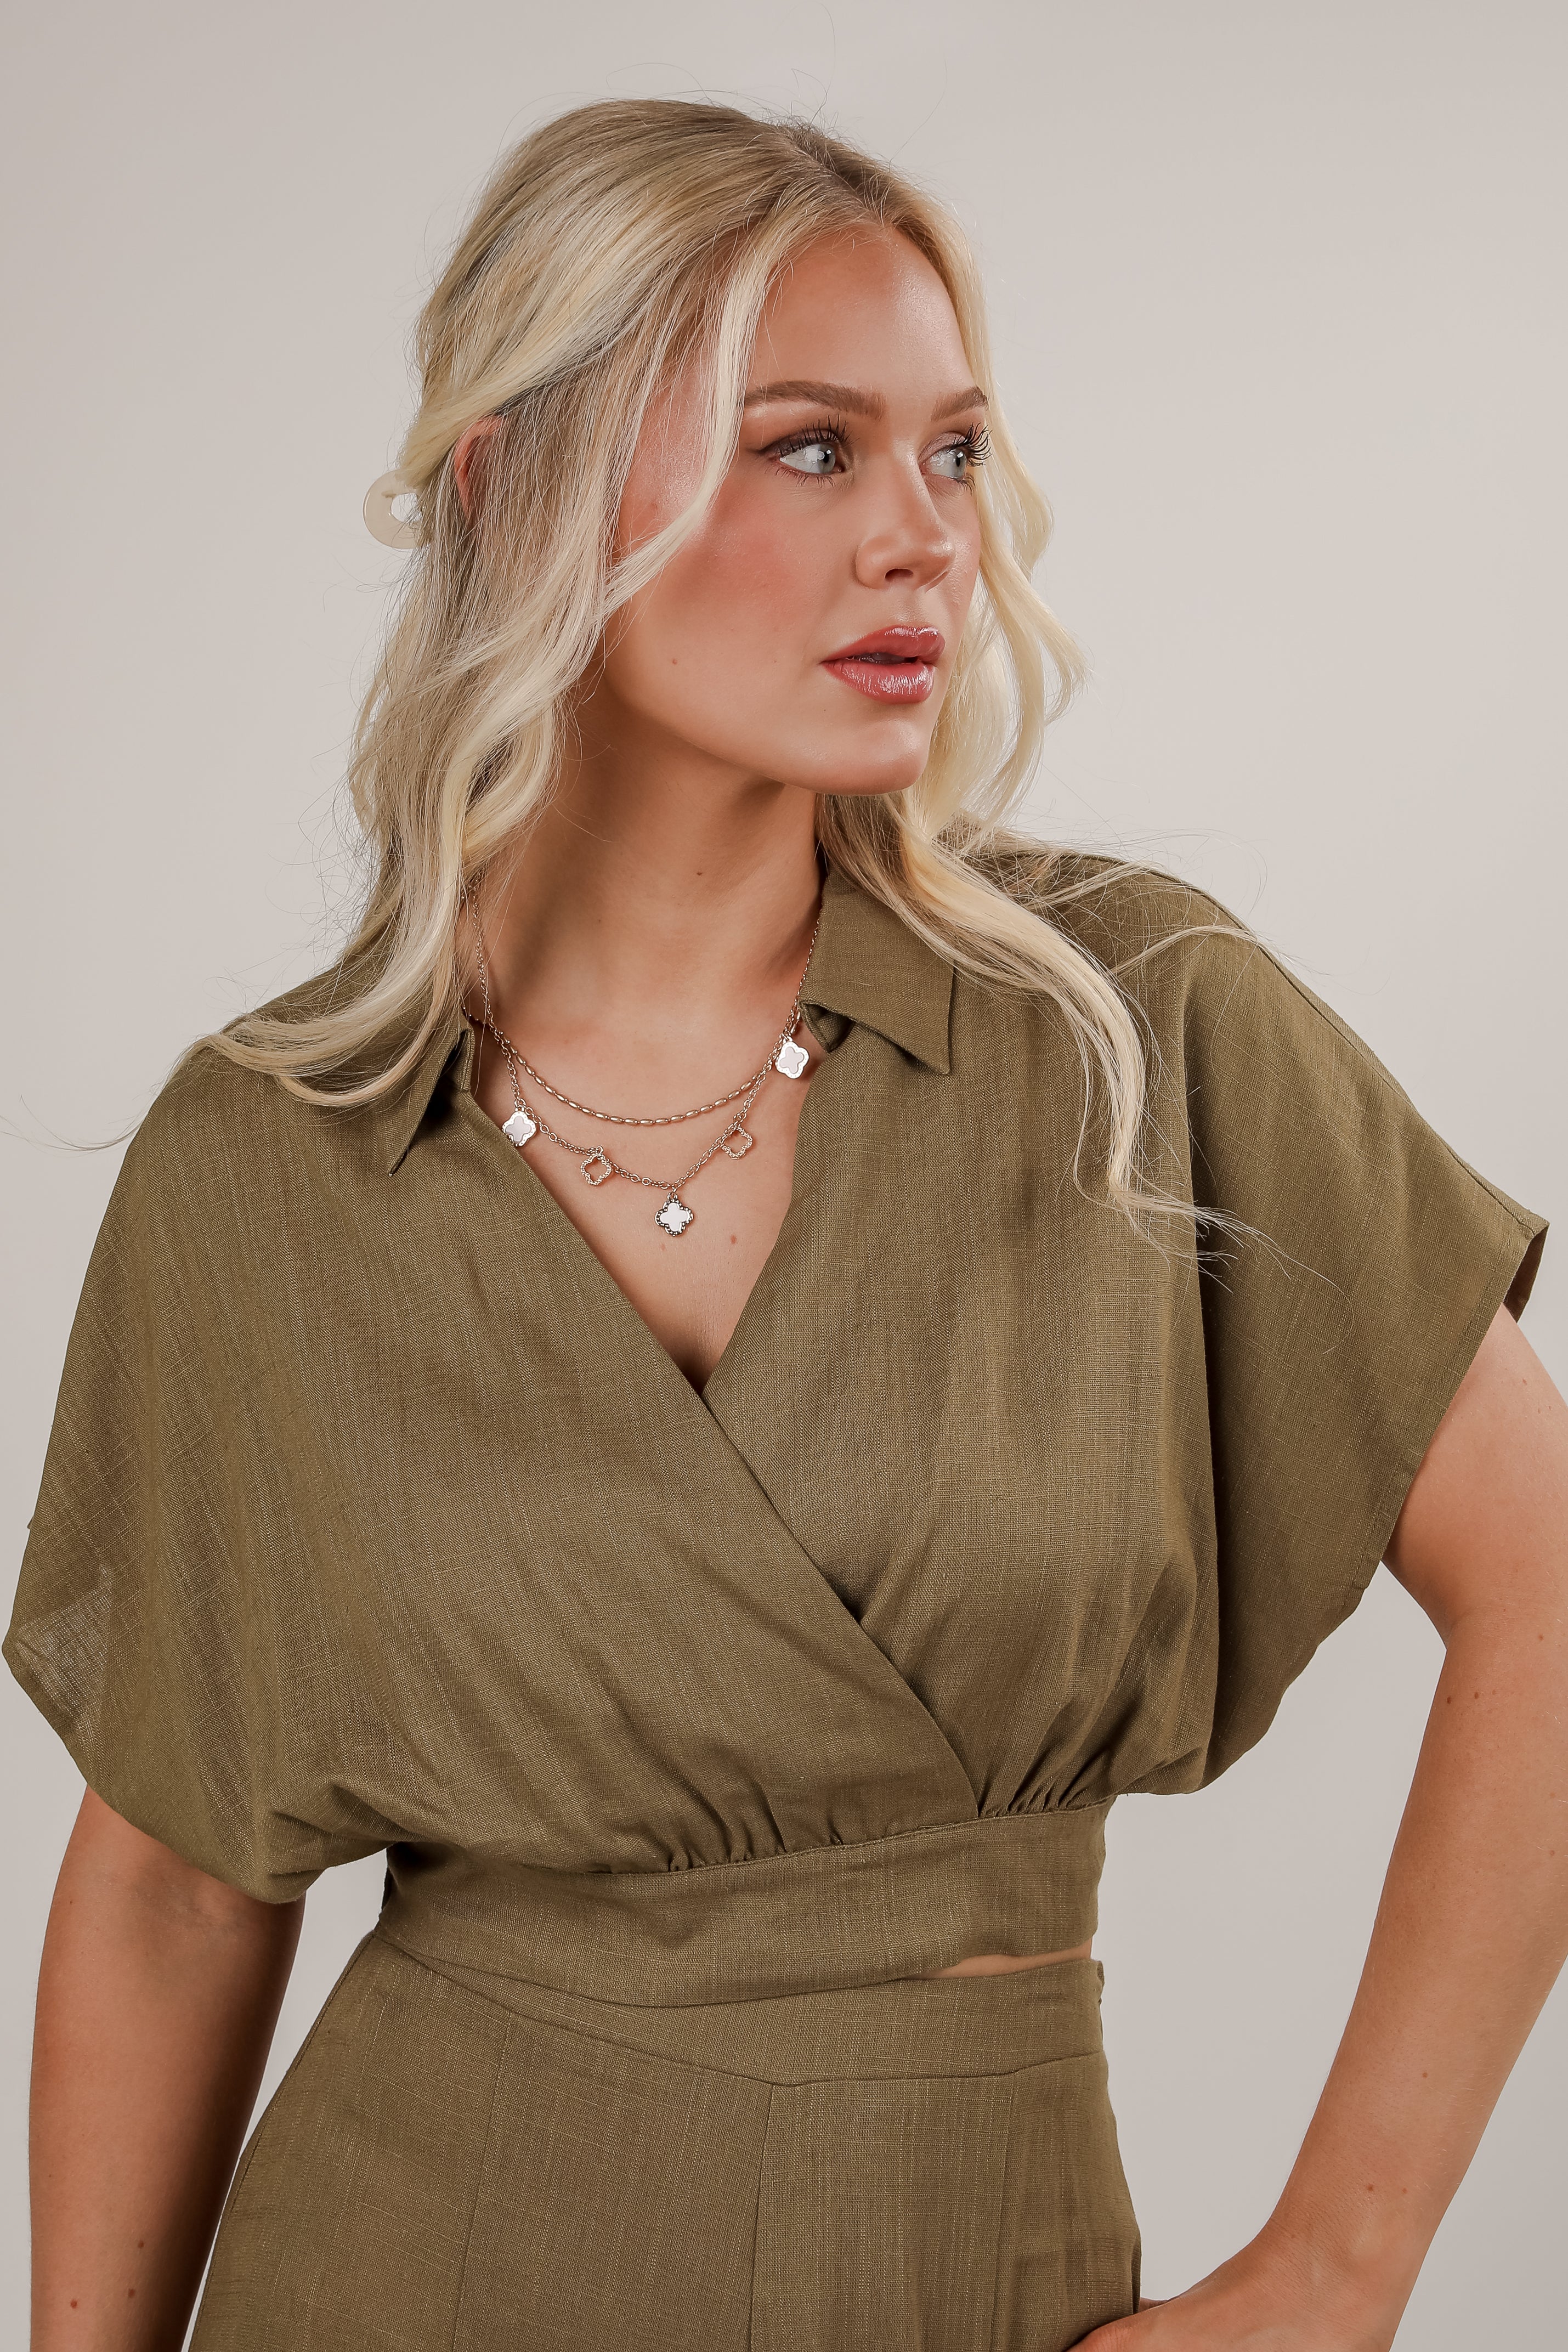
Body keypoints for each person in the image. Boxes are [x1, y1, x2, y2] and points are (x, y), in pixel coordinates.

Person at [8, 98, 1565, 2352]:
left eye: (955, 452)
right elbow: (169, 1885)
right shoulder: (270, 1155)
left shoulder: (1136, 1029)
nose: (924, 539)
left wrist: (1335, 2274)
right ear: (510, 489)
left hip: (967, 2272)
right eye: (812, 449)